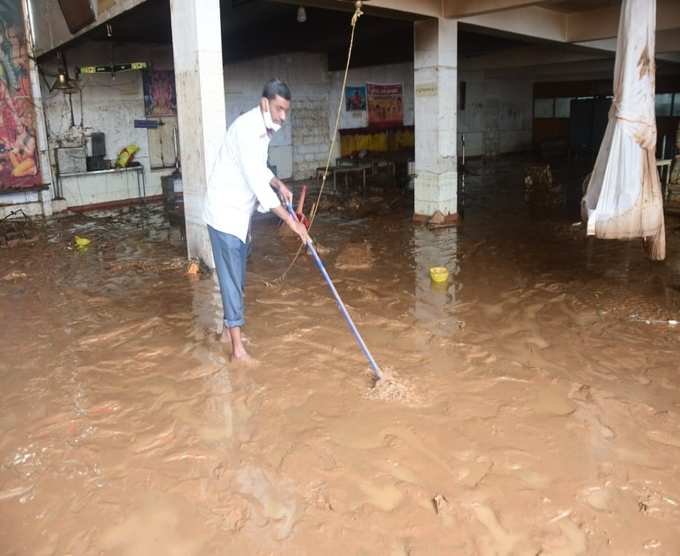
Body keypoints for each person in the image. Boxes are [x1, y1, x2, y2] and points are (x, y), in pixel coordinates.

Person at [203, 79, 309, 362]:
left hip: (239, 216)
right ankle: (237, 350)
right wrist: (292, 222)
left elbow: (259, 169)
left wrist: (278, 183)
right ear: (265, 103)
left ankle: (228, 331)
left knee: (236, 276)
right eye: (278, 109)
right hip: (224, 215)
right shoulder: (247, 130)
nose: (282, 117)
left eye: (286, 111)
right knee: (230, 280)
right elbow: (256, 183)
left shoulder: (264, 130)